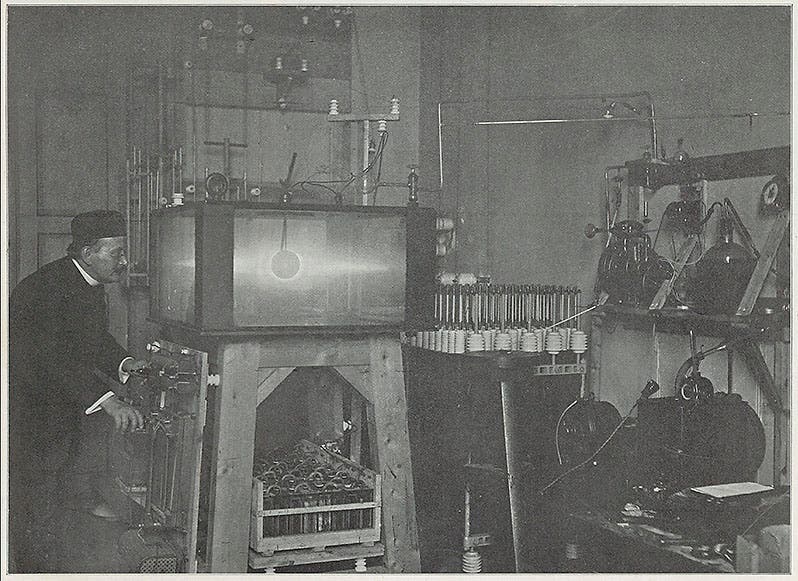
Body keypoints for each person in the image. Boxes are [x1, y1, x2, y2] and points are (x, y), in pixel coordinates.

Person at [9, 209, 147, 572]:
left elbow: (93, 340)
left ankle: (55, 554)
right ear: (88, 253)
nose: (124, 261)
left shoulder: (83, 282)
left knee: (57, 488)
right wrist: (109, 401)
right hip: (31, 411)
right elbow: (51, 359)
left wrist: (125, 363)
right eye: (116, 253)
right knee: (37, 496)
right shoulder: (49, 288)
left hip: (57, 406)